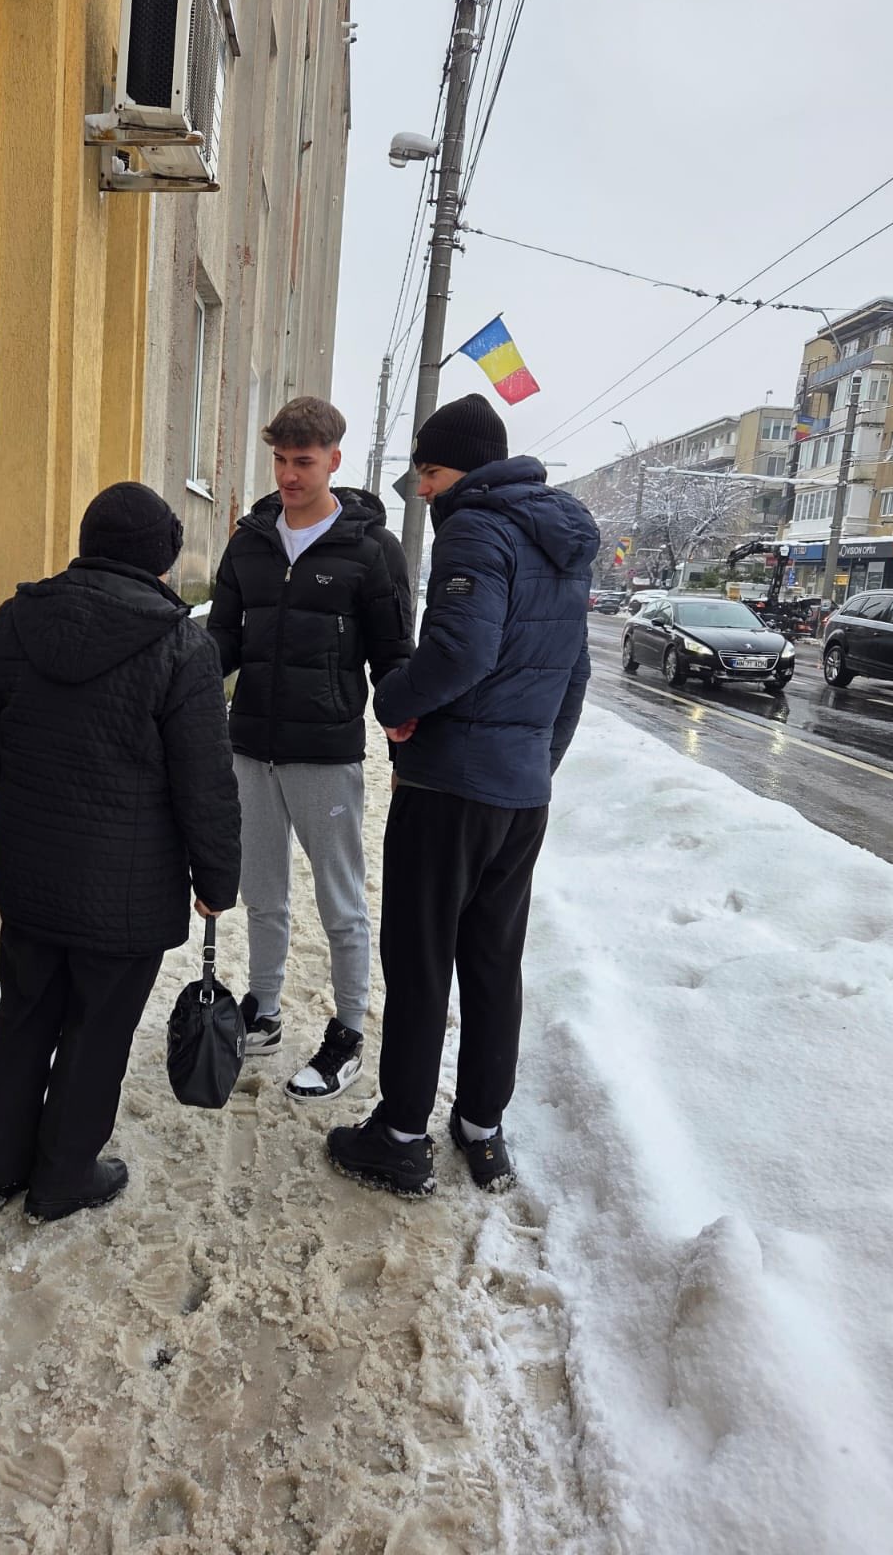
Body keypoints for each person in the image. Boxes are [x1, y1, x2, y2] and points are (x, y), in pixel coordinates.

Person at [0, 483, 240, 1223]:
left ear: (88, 543)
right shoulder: (182, 647)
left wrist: (19, 790)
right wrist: (217, 878)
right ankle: (63, 1176)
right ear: (163, 560)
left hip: (34, 874)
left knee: (24, 1018)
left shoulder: (20, 620)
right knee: (97, 1030)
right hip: (126, 893)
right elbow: (205, 782)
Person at [326, 393, 600, 1196]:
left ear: (469, 470)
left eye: (432, 472)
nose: (422, 488)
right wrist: (535, 765)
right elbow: (574, 676)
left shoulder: (478, 526)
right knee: (492, 962)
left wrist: (392, 701)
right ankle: (482, 1130)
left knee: (419, 961)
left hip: (449, 792)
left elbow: (459, 653)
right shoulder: (559, 540)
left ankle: (401, 1136)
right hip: (519, 798)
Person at [208, 396, 412, 1100]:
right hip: (250, 747)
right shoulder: (249, 542)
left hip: (325, 754)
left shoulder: (371, 550)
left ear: (333, 460)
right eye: (280, 460)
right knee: (261, 892)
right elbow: (223, 640)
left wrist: (404, 736)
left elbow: (394, 657)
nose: (289, 476)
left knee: (340, 900)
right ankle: (263, 1012)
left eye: (303, 461)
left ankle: (348, 1031)